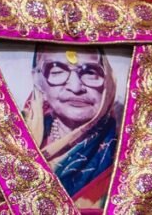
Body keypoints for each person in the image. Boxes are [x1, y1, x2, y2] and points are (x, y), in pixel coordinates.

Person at [21, 45, 120, 209]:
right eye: (57, 71)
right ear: (39, 83)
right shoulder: (16, 140)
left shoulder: (125, 151)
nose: (75, 87)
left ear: (108, 82)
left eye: (90, 72)